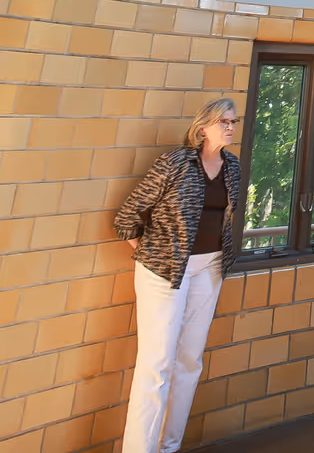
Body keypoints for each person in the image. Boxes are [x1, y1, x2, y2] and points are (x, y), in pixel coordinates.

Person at [113, 96, 246, 453]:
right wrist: (151, 254)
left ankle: (168, 447)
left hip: (210, 269)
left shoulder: (232, 166)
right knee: (156, 364)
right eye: (224, 122)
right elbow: (127, 216)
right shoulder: (175, 162)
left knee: (189, 361)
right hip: (164, 271)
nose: (231, 128)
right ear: (203, 128)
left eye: (234, 122)